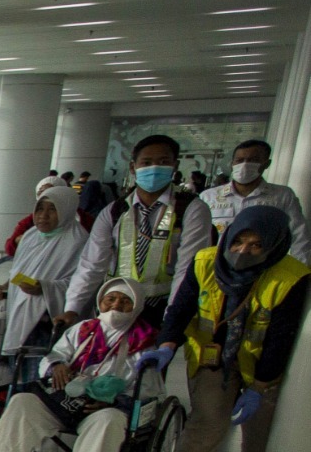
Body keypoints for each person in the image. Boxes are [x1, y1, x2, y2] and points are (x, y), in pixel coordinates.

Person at [155, 204, 311, 452]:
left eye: (256, 245)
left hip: (261, 364)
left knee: (258, 430)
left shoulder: (291, 278)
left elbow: (283, 336)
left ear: (275, 245)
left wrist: (258, 386)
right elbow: (182, 308)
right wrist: (167, 344)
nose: (243, 252)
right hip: (211, 355)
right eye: (239, 242)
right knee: (207, 420)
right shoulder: (205, 262)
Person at [0, 278, 177, 452]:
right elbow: (56, 353)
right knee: (23, 402)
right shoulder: (84, 329)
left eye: (125, 301)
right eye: (110, 299)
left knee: (109, 421)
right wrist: (56, 365)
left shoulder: (146, 341)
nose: (116, 305)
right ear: (100, 302)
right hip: (65, 400)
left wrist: (114, 401)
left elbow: (149, 388)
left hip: (105, 407)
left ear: (137, 306)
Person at [63, 135, 211, 331]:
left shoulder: (191, 209)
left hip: (160, 308)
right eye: (147, 162)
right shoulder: (115, 211)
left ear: (175, 166)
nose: (154, 168)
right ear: (133, 167)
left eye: (163, 162)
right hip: (115, 309)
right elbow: (91, 264)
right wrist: (72, 308)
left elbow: (187, 269)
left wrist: (172, 321)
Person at [0, 182, 88, 366]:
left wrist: (44, 287)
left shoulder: (77, 240)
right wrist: (6, 288)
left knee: (37, 373)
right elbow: (21, 271)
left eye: (52, 210)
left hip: (49, 322)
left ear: (66, 209)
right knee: (18, 371)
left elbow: (83, 283)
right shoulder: (31, 236)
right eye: (39, 209)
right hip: (21, 312)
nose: (43, 216)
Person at [199, 139, 311, 264]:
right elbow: (198, 238)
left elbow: (299, 236)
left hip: (264, 270)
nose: (245, 165)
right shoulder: (209, 197)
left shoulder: (282, 196)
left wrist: (300, 272)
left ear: (266, 164)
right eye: (239, 160)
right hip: (216, 266)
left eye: (253, 160)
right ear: (232, 163)